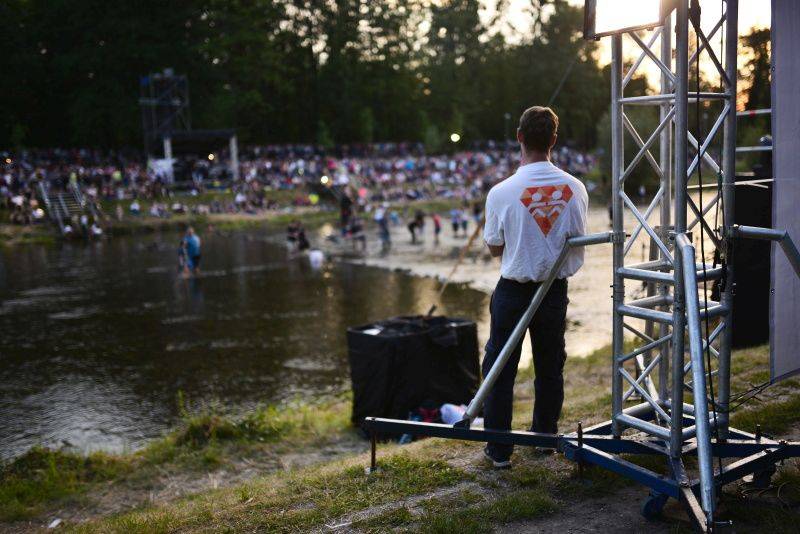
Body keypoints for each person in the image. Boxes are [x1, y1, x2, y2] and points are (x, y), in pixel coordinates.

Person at [481, 106, 588, 469]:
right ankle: (544, 437)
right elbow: (577, 239)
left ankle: (498, 449)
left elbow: (495, 247)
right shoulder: (575, 187)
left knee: (500, 366)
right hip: (555, 289)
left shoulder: (501, 192)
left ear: (519, 137)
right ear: (554, 140)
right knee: (549, 364)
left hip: (514, 287)